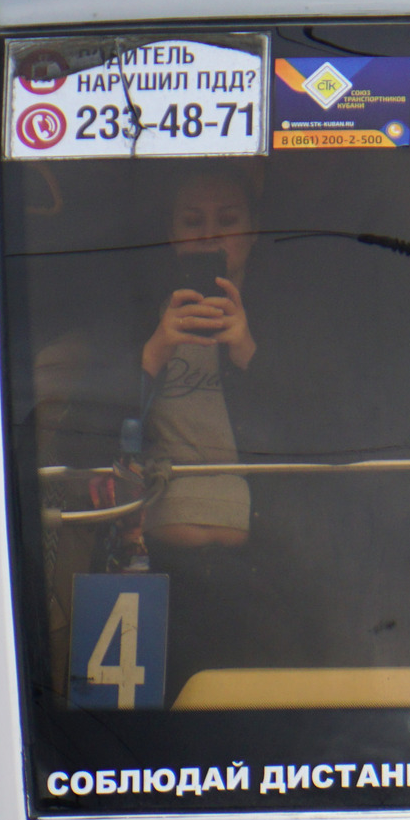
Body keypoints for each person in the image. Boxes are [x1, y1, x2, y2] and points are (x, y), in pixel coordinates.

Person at [139, 167, 259, 547]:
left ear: (253, 232)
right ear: (173, 236)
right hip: (155, 547)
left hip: (264, 554)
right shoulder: (138, 318)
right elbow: (97, 429)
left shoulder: (286, 322)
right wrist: (152, 355)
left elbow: (318, 428)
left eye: (227, 220)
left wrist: (249, 355)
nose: (210, 237)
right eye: (193, 222)